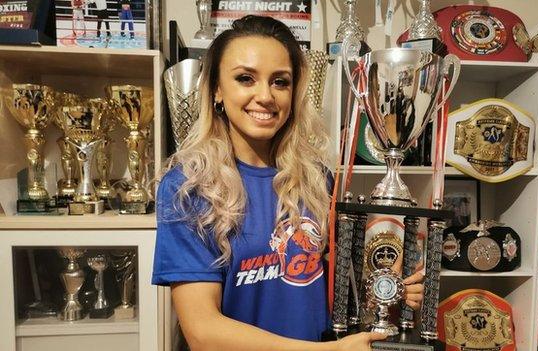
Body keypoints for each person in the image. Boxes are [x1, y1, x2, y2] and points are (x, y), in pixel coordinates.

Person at [151, 15, 424, 351]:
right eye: (245, 78)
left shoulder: (316, 179)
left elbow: (334, 289)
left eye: (280, 82)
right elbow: (203, 331)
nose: (265, 95)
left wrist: (388, 288)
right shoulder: (188, 187)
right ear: (217, 90)